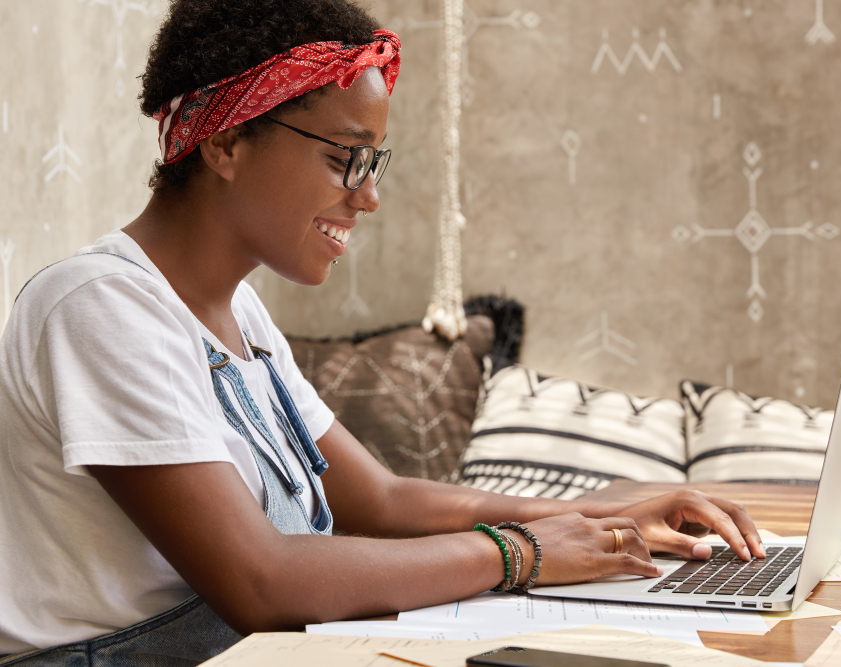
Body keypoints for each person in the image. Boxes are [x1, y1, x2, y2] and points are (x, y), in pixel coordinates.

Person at [0, 0, 766, 663]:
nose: (367, 198)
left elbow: (382, 499)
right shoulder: (96, 306)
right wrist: (521, 553)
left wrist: (602, 513)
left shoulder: (240, 314)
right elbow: (261, 582)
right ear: (227, 142)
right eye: (346, 159)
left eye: (375, 162)